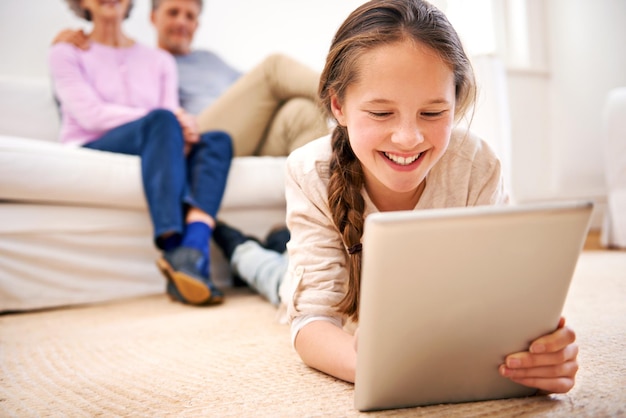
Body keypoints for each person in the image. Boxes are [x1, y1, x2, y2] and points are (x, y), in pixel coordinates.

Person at [279, 0, 579, 394]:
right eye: (382, 113)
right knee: (270, 275)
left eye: (433, 113)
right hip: (311, 272)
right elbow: (311, 319)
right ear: (339, 106)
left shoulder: (475, 165)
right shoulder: (309, 171)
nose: (408, 138)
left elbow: (499, 297)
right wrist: (382, 369)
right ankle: (244, 250)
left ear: (455, 104)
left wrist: (538, 354)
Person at [50, 0, 233, 306]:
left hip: (153, 140)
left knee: (217, 140)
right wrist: (166, 118)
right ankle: (175, 249)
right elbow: (90, 115)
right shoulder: (66, 51)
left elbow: (169, 111)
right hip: (93, 143)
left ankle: (193, 248)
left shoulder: (159, 60)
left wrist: (183, 124)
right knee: (161, 119)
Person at [54, 0, 330, 157]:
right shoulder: (150, 63)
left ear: (197, 25)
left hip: (251, 133)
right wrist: (67, 40)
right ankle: (346, 94)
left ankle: (296, 228)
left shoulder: (210, 59)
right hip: (203, 136)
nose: (182, 22)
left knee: (303, 112)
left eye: (190, 16)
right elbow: (97, 99)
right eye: (173, 12)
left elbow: (261, 93)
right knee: (274, 66)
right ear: (153, 18)